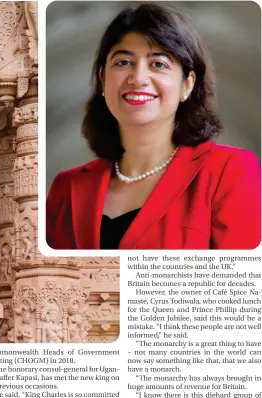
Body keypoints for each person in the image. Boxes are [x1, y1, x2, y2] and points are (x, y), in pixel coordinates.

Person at [46, 3, 261, 250]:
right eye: (123, 62)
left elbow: (238, 282)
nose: (138, 78)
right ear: (104, 78)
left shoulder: (228, 171)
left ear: (187, 85)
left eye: (159, 64)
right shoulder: (67, 187)